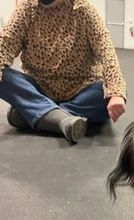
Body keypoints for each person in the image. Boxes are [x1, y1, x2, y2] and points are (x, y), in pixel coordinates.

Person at [0, 0, 126, 143]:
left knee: (109, 95)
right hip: (39, 87)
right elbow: (5, 45)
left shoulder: (84, 10)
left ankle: (33, 113)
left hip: (80, 89)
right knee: (4, 76)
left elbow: (106, 52)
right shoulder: (26, 10)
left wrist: (116, 93)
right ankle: (62, 120)